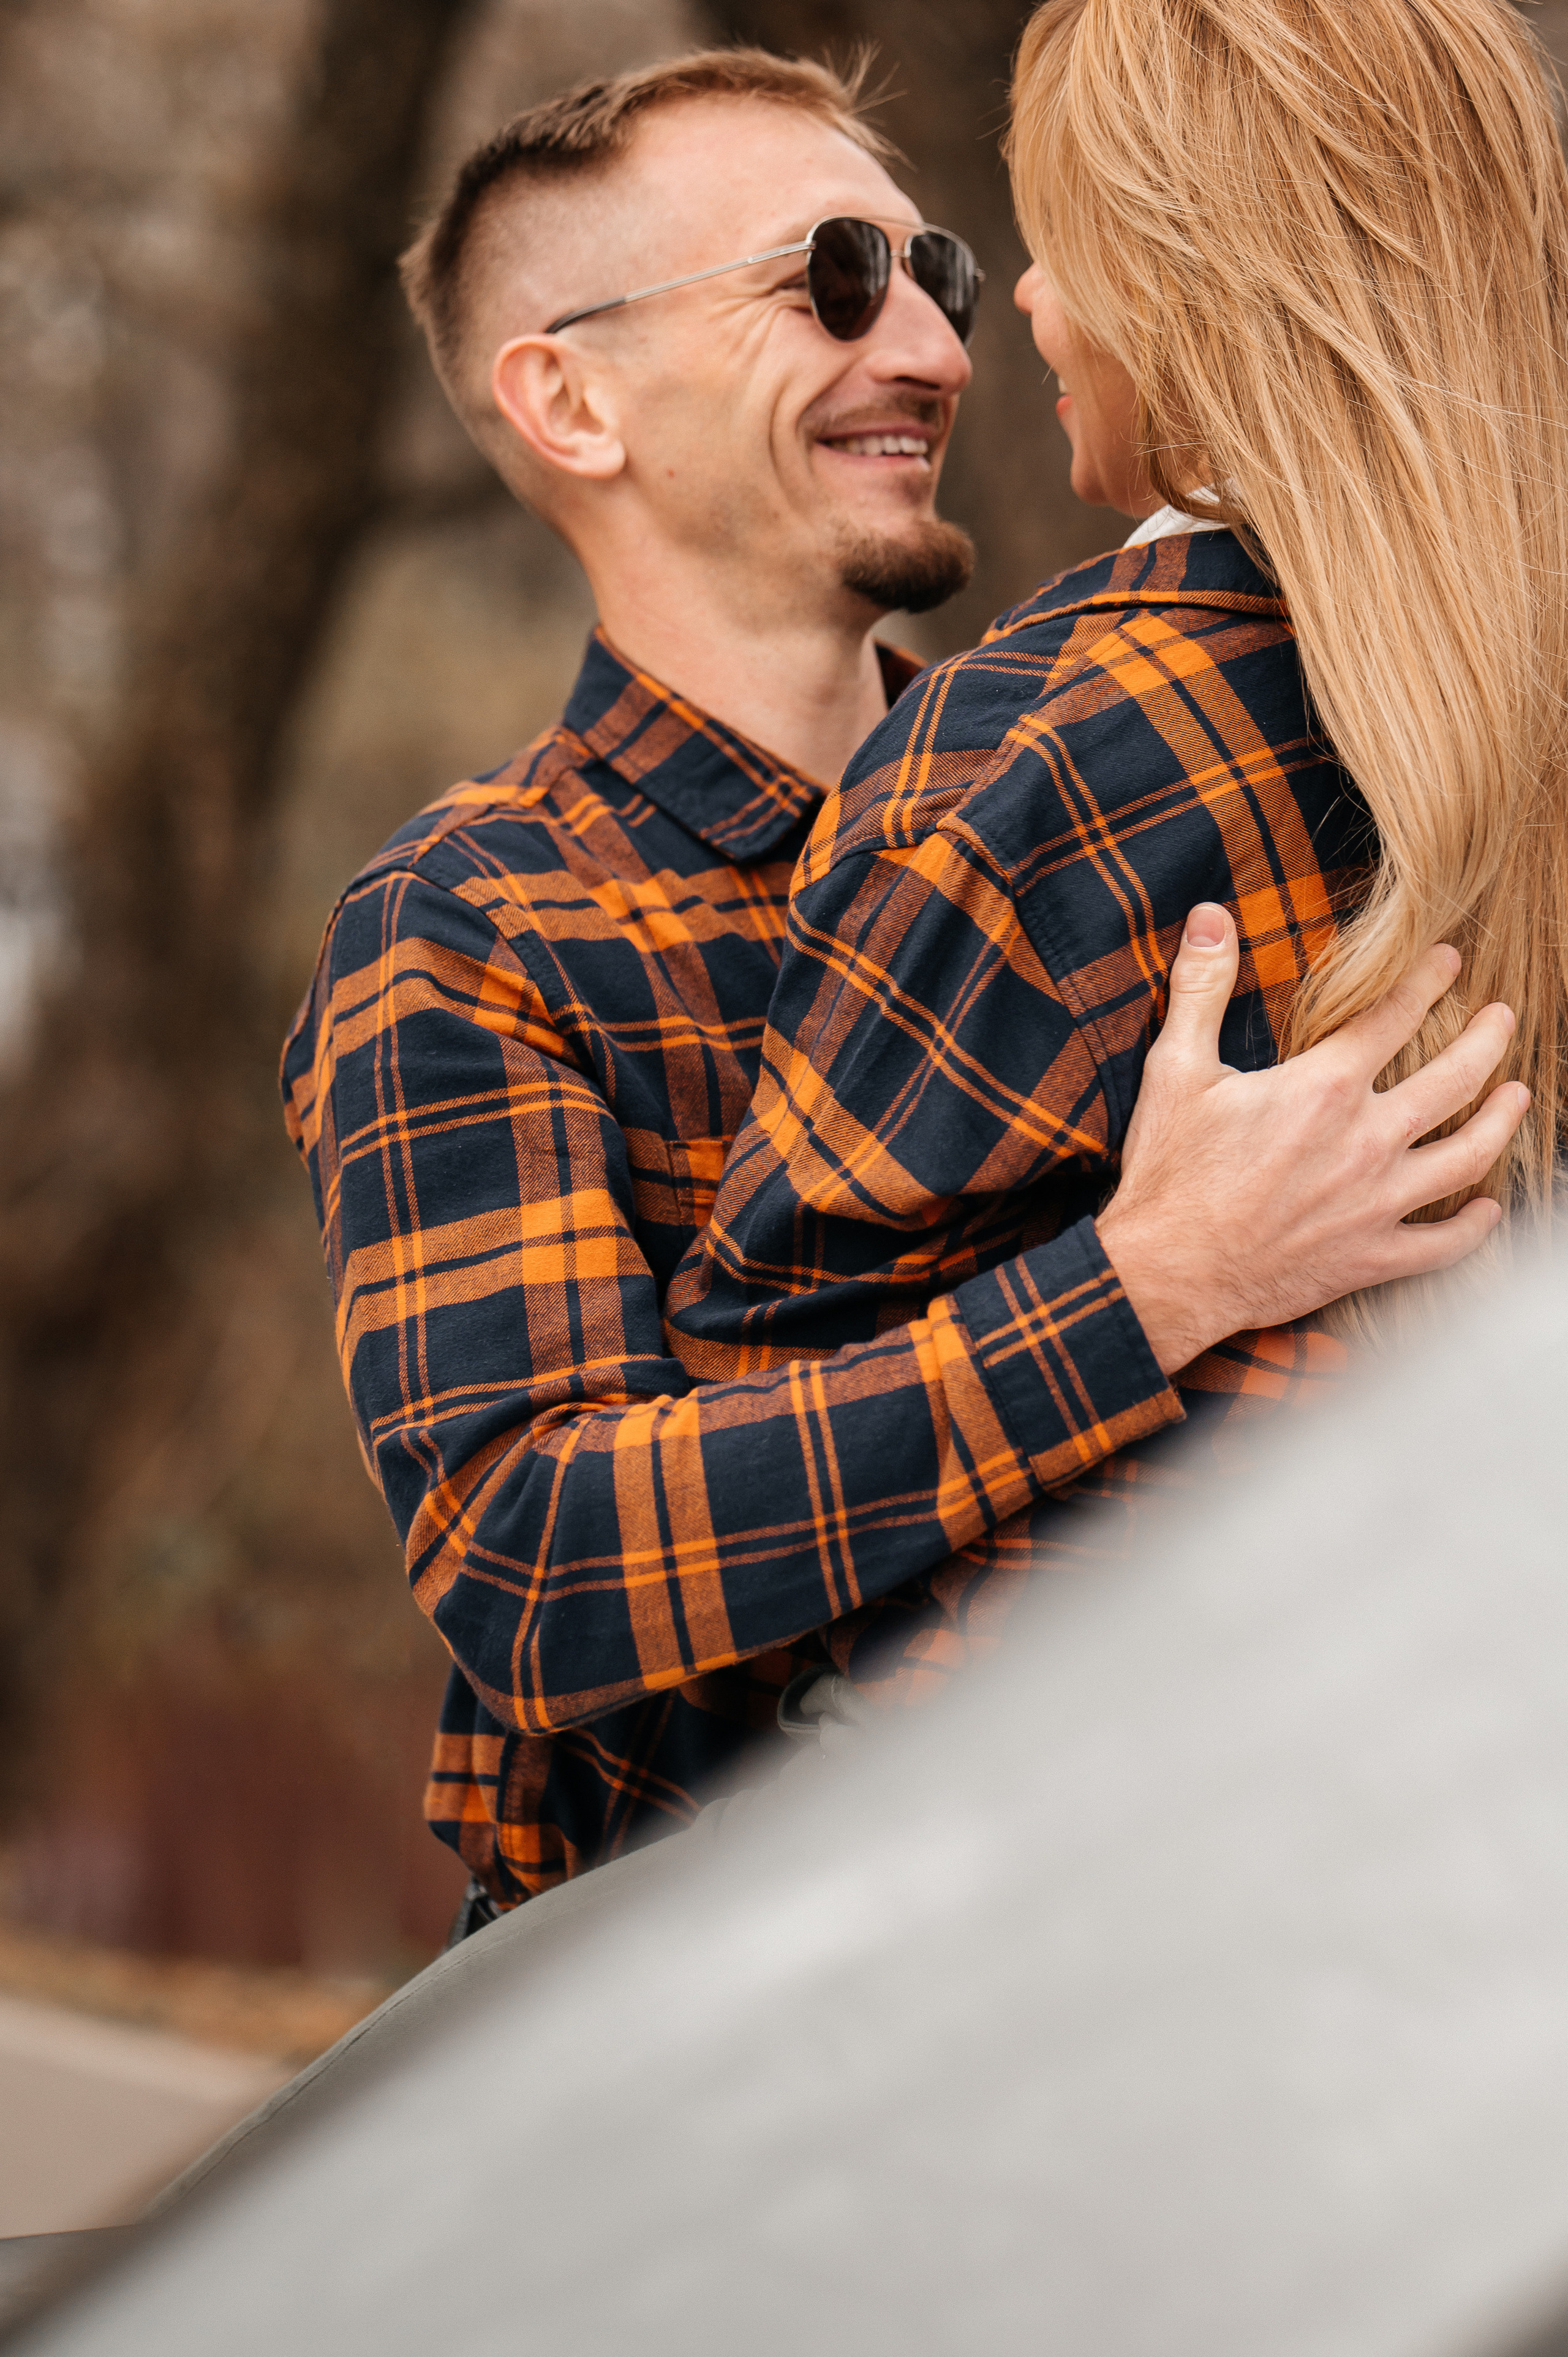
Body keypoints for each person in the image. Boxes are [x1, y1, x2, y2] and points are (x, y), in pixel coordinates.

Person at [282, 47, 1526, 1918]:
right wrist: (1151, 1285)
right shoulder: (472, 924)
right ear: (574, 398)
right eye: (830, 285)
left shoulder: (1143, 764)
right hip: (716, 2005)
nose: (941, 353)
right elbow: (541, 1564)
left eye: (937, 277)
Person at [664, 0, 1564, 1709]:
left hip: (1089, 1845)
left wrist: (1136, 1290)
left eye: (1056, 252)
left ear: (1191, 286)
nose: (1026, 312)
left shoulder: (1033, 762)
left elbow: (746, 1514)